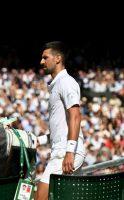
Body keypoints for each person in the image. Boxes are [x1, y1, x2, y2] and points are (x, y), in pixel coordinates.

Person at [35, 41, 86, 200]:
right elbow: (60, 128)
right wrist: (39, 140)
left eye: (45, 57)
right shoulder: (58, 84)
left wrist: (69, 152)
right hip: (63, 150)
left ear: (57, 59)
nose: (41, 61)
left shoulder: (66, 82)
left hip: (67, 152)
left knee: (40, 197)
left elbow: (76, 115)